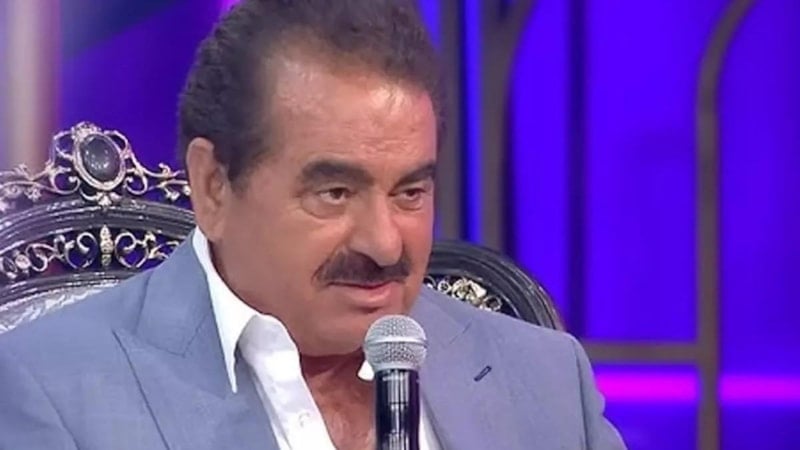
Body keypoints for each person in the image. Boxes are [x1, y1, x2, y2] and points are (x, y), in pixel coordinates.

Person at [0, 1, 626, 449]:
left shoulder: (544, 378)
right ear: (214, 186)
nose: (384, 243)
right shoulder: (52, 389)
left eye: (410, 192)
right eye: (335, 193)